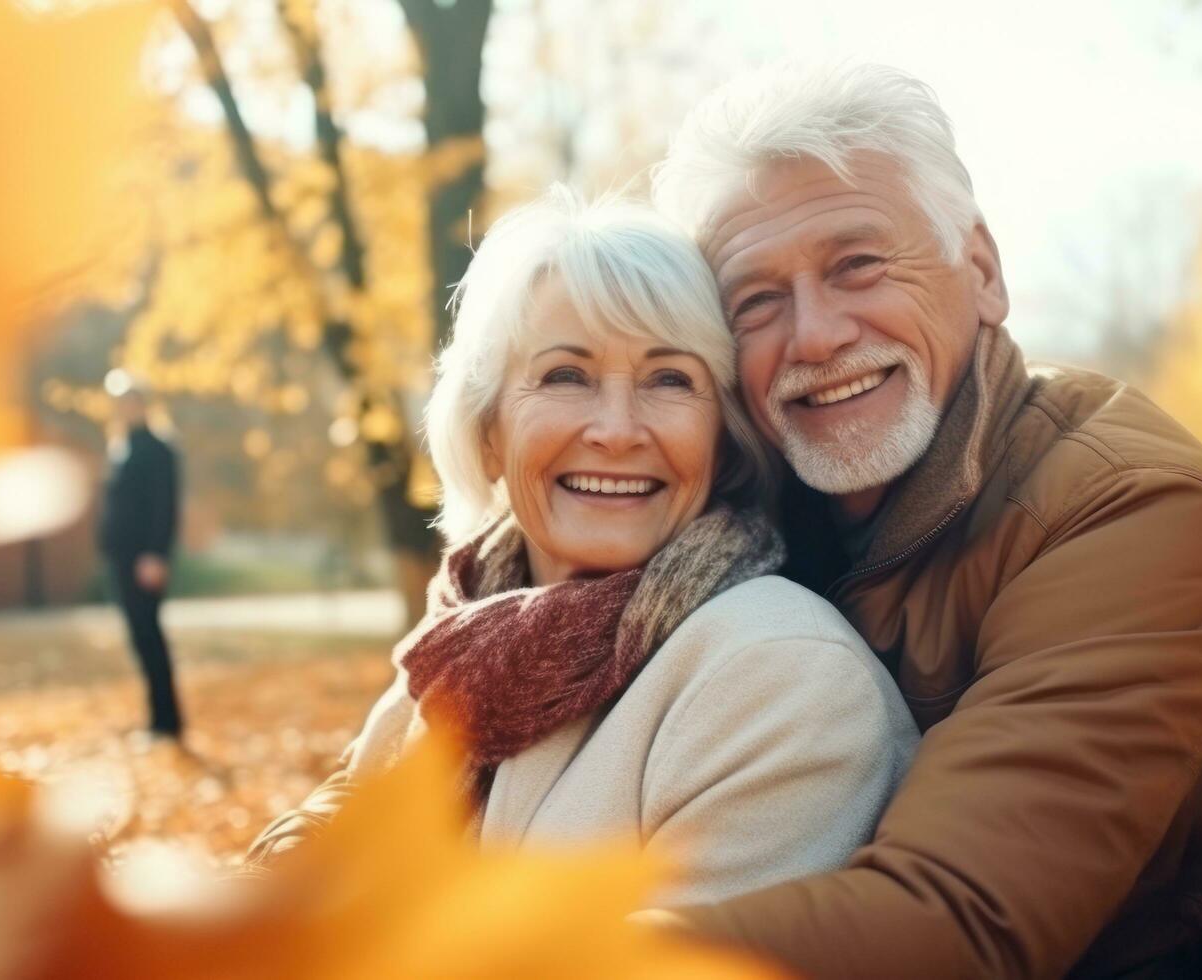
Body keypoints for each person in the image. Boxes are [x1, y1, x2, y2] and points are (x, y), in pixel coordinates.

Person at [644, 60, 1202, 978]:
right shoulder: (742, 526)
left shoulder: (1127, 505)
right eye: (755, 301)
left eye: (859, 265)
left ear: (983, 273)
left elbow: (960, 924)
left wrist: (528, 950)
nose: (814, 335)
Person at [246, 191, 919, 905]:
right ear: (487, 430)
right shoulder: (467, 635)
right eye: (566, 376)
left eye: (670, 380)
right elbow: (334, 835)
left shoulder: (781, 676)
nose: (618, 430)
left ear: (722, 441)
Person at [99, 370, 185, 740]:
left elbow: (165, 507)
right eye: (120, 402)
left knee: (149, 636)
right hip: (122, 559)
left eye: (132, 401)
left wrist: (155, 554)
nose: (126, 408)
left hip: (143, 560)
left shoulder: (159, 448)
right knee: (140, 638)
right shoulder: (122, 447)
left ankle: (167, 722)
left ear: (144, 404)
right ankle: (157, 719)